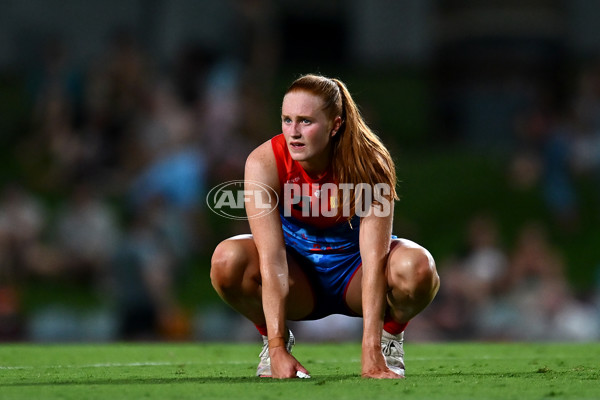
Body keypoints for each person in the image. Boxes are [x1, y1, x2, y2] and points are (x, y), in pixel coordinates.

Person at [210, 74, 440, 379]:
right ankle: (270, 342)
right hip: (297, 276)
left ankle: (389, 338)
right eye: (287, 120)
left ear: (335, 124)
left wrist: (369, 351)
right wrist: (278, 345)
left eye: (306, 121)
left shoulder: (370, 163)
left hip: (355, 274)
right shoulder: (264, 162)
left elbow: (375, 262)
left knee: (418, 268)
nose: (294, 132)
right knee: (226, 261)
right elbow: (272, 257)